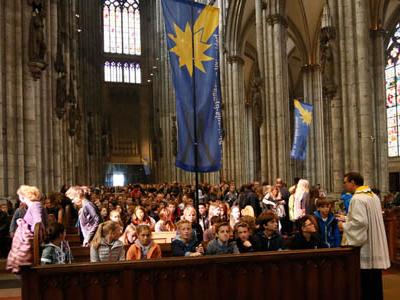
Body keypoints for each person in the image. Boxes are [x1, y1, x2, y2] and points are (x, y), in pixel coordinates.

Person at [342, 172, 390, 300]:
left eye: (345, 182)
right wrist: (347, 218)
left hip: (366, 247)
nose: (344, 185)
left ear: (353, 182)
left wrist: (344, 226)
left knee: (366, 284)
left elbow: (360, 222)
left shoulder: (357, 199)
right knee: (375, 282)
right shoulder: (372, 196)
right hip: (375, 244)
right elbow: (366, 218)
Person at [7, 185, 47, 273]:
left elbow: (38, 223)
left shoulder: (35, 205)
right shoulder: (33, 205)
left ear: (23, 197)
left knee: (27, 272)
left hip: (32, 243)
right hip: (31, 243)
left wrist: (25, 227)